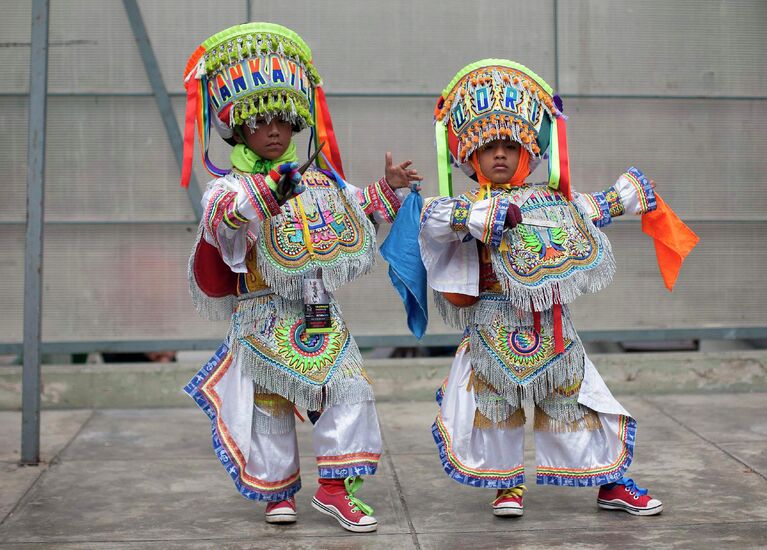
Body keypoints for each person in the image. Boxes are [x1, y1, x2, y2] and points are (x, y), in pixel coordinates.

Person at [417, 59, 697, 517]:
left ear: (529, 152)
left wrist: (624, 195)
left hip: (554, 326)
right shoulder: (464, 205)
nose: (501, 154)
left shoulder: (551, 201)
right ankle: (506, 486)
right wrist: (473, 218)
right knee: (495, 405)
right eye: (489, 146)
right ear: (470, 157)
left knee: (579, 401)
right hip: (491, 322)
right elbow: (432, 222)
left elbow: (587, 212)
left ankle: (610, 482)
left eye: (511, 144)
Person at [180, 23, 421, 533]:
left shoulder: (317, 179)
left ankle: (335, 488)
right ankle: (277, 493)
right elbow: (225, 222)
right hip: (263, 313)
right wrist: (268, 194)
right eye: (260, 121)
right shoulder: (227, 187)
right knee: (270, 404)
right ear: (237, 130)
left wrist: (389, 188)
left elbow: (356, 209)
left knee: (349, 388)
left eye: (284, 121)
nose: (273, 131)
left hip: (317, 309)